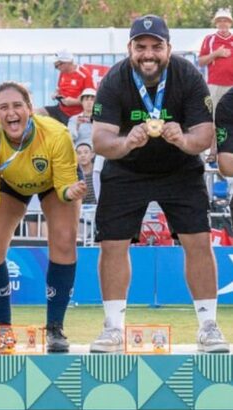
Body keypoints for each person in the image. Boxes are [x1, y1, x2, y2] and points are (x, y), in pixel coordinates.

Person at [91, 14, 229, 354]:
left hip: (179, 168)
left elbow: (204, 134)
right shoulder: (115, 79)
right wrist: (126, 143)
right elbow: (99, 139)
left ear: (169, 48)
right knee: (112, 244)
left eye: (156, 47)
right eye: (141, 47)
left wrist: (182, 139)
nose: (148, 54)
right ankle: (112, 328)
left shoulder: (188, 76)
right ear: (130, 48)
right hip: (127, 169)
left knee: (197, 241)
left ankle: (208, 326)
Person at [0, 81, 86, 352]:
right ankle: (2, 326)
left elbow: (62, 188)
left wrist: (71, 193)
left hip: (55, 183)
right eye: (3, 107)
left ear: (30, 109)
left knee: (63, 238)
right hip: (10, 183)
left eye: (17, 106)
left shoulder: (56, 134)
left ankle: (55, 328)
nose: (11, 113)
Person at [199, 8, 233, 164]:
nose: (223, 23)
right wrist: (216, 54)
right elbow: (201, 61)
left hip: (231, 85)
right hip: (214, 84)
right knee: (212, 119)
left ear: (230, 22)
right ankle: (213, 151)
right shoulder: (210, 39)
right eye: (220, 20)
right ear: (216, 23)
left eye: (225, 20)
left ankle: (228, 152)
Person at [37, 50, 94, 125]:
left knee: (71, 132)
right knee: (37, 113)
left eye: (57, 65)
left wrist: (75, 101)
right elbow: (59, 88)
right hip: (61, 109)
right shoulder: (63, 73)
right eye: (55, 66)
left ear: (67, 62)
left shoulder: (84, 74)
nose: (56, 68)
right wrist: (55, 94)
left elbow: (93, 98)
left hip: (76, 115)